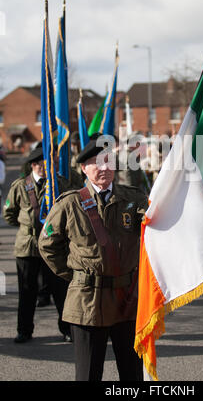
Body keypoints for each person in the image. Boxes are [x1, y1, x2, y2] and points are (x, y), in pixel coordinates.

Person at [38, 136, 148, 381]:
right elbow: (47, 245)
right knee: (88, 374)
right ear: (84, 168)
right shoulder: (70, 203)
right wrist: (76, 275)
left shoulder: (135, 199)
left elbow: (156, 234)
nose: (105, 167)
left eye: (109, 161)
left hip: (127, 300)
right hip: (87, 301)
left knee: (132, 374)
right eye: (97, 162)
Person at [3, 144, 72, 343]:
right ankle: (24, 330)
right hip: (28, 247)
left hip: (54, 248)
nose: (45, 166)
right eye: (40, 164)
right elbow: (9, 214)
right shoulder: (20, 186)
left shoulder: (59, 184)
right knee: (27, 291)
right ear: (33, 165)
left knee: (60, 290)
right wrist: (27, 227)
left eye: (48, 163)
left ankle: (67, 329)